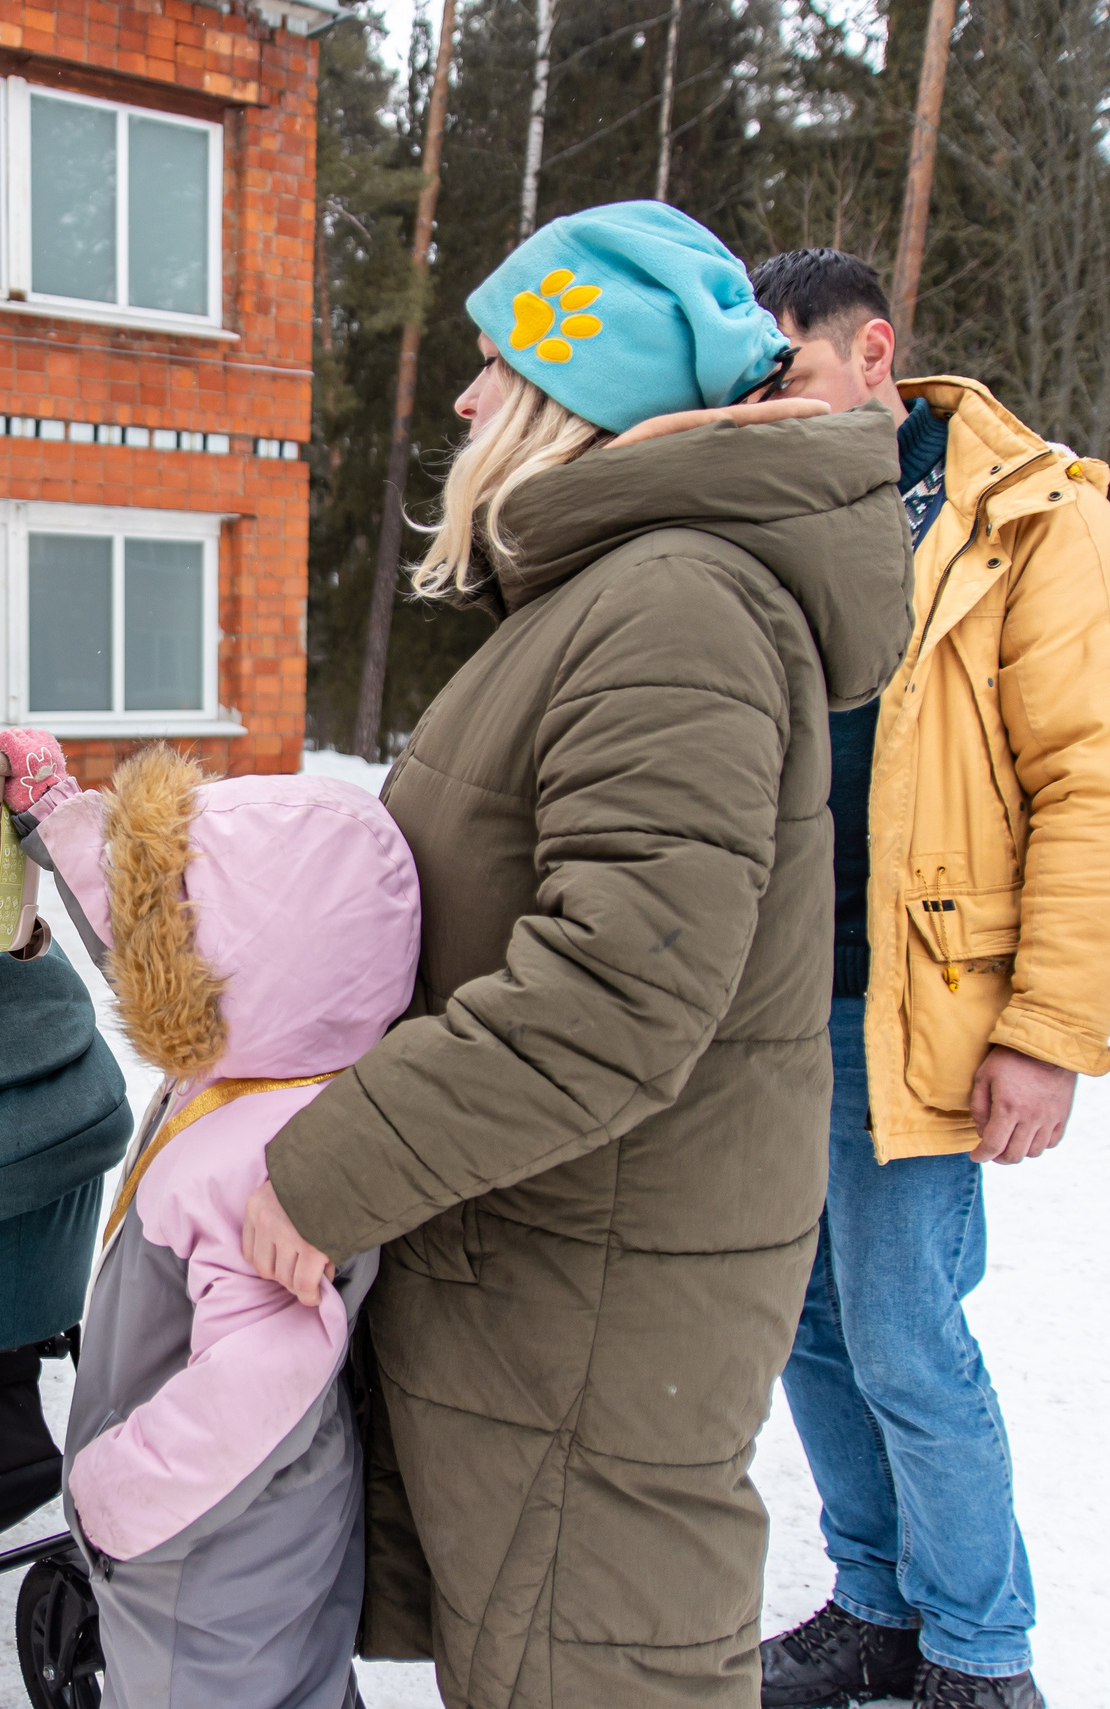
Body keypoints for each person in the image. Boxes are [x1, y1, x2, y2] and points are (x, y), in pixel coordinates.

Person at [241, 202, 914, 1707]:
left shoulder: (675, 605)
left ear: (577, 385)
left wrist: (328, 1169)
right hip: (558, 1268)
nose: (464, 399)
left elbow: (617, 988)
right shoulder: (620, 594)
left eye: (494, 363)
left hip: (597, 1290)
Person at [746, 249, 1110, 1709]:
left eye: (790, 374)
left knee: (906, 1331)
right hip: (782, 1001)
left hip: (917, 1000)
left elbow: (1096, 790)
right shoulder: (786, 510)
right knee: (806, 1323)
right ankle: (877, 1602)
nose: (768, 407)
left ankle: (982, 1651)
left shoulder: (1040, 521)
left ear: (875, 354)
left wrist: (1045, 1030)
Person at [0, 730, 420, 1709]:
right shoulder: (284, 1061)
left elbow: (255, 1381)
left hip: (203, 1556)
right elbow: (147, 932)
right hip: (266, 1530)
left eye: (177, 925)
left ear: (240, 959)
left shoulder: (267, 1162)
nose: (150, 949)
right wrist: (53, 815)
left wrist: (114, 1498)